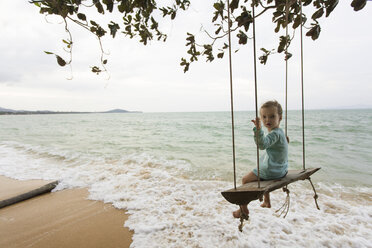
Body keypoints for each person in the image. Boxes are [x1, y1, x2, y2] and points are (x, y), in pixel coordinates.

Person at [233, 100, 288, 219]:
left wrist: (258, 130)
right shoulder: (280, 132)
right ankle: (267, 202)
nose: (268, 120)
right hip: (282, 170)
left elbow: (262, 145)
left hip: (273, 171)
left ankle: (243, 210)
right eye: (264, 117)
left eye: (272, 116)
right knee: (262, 167)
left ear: (280, 117)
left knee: (245, 180)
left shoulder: (274, 134)